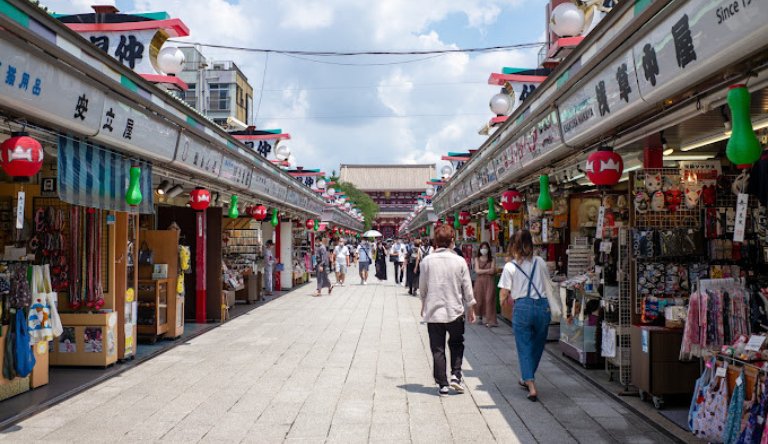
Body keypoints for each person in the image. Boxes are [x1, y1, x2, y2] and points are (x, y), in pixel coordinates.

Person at [419, 224, 476, 396]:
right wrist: (471, 307)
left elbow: (423, 287)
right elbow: (467, 286)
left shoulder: (427, 261)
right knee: (457, 343)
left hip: (434, 311)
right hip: (455, 310)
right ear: (452, 241)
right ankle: (456, 376)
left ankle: (443, 384)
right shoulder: (459, 261)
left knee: (437, 348)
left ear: (436, 242)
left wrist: (423, 303)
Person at [498, 230, 551, 402]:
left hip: (522, 308)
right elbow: (547, 284)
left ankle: (531, 384)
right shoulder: (541, 262)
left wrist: (502, 302)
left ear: (513, 245)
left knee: (524, 346)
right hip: (543, 307)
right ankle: (526, 377)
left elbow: (504, 292)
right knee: (537, 345)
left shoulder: (510, 266)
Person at [473, 242, 498, 328]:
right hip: (480, 282)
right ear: (480, 249)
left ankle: (490, 320)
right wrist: (488, 270)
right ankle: (481, 316)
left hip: (490, 281)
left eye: (486, 248)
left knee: (489, 299)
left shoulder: (492, 259)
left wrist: (483, 271)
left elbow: (493, 270)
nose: (484, 249)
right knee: (479, 300)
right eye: (482, 247)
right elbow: (477, 270)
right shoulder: (477, 258)